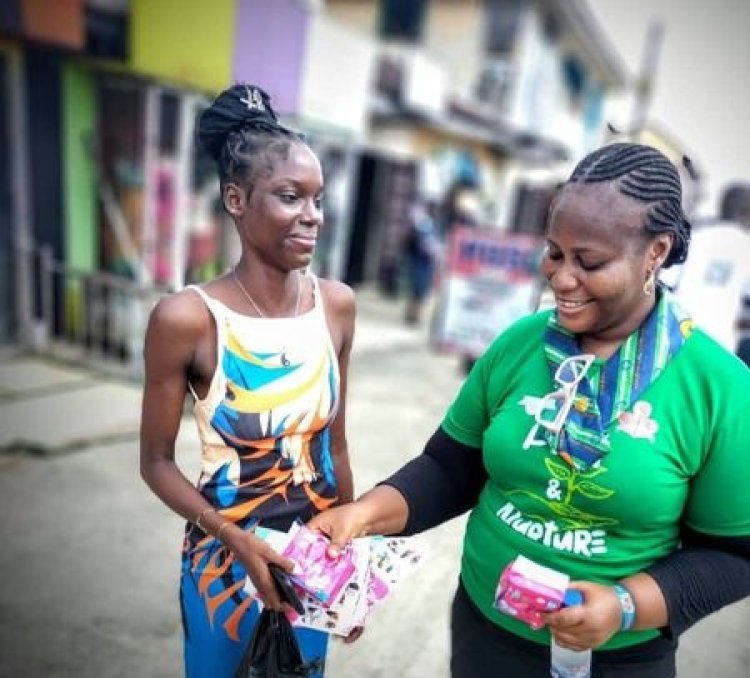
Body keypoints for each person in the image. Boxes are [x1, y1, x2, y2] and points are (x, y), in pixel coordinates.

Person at [308, 143, 750, 677]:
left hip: (616, 662)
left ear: (655, 252)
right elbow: (451, 467)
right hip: (485, 635)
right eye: (555, 252)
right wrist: (362, 516)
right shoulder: (521, 343)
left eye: (590, 262)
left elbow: (732, 555)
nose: (561, 278)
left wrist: (625, 606)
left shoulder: (719, 386)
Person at [140, 84, 357, 678]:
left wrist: (352, 559)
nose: (311, 215)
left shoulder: (335, 306)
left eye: (317, 199)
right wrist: (235, 539)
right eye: (290, 197)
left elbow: (334, 445)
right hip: (223, 567)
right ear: (236, 199)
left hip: (311, 561)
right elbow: (156, 462)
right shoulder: (187, 318)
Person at [661, 181, 750, 365]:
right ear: (745, 213)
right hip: (720, 347)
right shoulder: (746, 247)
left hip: (677, 335)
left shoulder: (692, 234)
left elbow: (666, 282)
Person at [404, 199, 441, 325]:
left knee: (418, 290)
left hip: (421, 262)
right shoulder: (425, 224)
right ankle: (413, 315)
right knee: (419, 290)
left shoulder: (423, 223)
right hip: (422, 262)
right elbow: (428, 246)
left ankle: (412, 315)